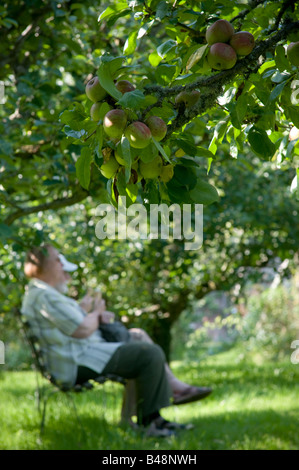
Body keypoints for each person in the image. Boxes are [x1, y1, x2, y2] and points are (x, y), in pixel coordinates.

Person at [21, 244, 212, 436]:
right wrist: (96, 313)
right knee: (148, 354)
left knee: (137, 336)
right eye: (58, 260)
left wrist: (86, 311)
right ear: (44, 264)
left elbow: (71, 325)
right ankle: (152, 423)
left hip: (80, 354)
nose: (63, 266)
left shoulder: (44, 294)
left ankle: (140, 417)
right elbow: (82, 329)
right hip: (77, 361)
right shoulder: (43, 295)